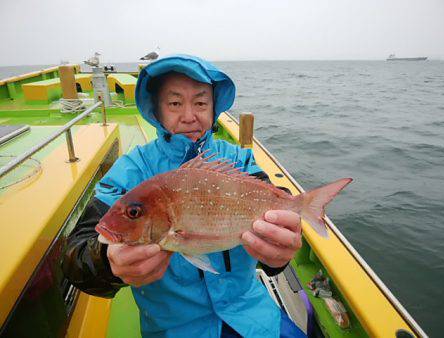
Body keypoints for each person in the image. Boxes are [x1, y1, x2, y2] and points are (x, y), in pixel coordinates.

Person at [62, 54, 305, 338]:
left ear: (214, 109)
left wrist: (279, 253)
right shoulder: (131, 171)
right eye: (175, 103)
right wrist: (106, 261)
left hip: (253, 316)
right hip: (174, 329)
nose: (190, 116)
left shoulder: (240, 162)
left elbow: (275, 203)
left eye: (201, 103)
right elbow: (75, 254)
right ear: (157, 111)